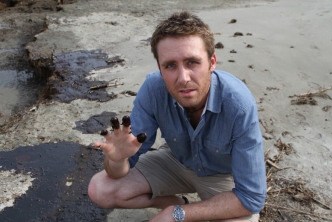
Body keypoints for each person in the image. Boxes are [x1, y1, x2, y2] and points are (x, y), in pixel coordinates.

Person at [88, 11, 266, 222]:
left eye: (192, 62)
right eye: (170, 65)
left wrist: (176, 216)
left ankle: (180, 210)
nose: (183, 78)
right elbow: (122, 167)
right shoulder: (153, 89)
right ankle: (180, 202)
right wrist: (117, 160)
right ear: (160, 69)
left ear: (212, 62)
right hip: (175, 161)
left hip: (221, 176)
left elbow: (252, 197)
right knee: (100, 189)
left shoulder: (239, 105)